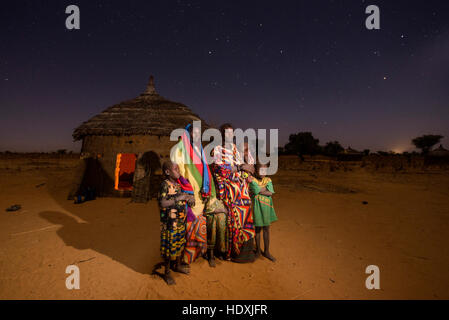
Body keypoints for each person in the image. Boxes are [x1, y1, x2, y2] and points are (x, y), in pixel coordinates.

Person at [171, 124, 226, 266]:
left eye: (198, 132)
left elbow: (206, 172)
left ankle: (210, 252)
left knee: (218, 217)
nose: (196, 135)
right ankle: (189, 255)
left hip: (204, 193)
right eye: (193, 132)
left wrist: (210, 193)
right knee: (194, 221)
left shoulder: (200, 150)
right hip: (190, 193)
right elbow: (179, 172)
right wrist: (187, 192)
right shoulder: (181, 149)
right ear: (188, 133)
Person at [212, 123, 256, 263]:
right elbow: (221, 170)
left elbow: (247, 167)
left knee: (247, 210)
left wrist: (245, 169)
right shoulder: (217, 150)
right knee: (235, 213)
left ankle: (245, 251)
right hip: (227, 188)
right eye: (227, 133)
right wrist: (240, 166)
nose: (230, 136)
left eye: (232, 133)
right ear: (222, 135)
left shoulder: (237, 150)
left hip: (241, 186)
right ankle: (233, 251)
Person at [157, 161, 194, 285]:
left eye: (178, 169)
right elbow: (162, 203)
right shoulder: (165, 185)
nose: (178, 171)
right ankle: (167, 272)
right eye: (175, 169)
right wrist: (179, 198)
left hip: (180, 222)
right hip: (170, 224)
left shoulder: (178, 185)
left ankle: (177, 265)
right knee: (169, 248)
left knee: (179, 244)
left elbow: (182, 200)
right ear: (167, 172)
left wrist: (189, 199)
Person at [248, 162, 278, 262]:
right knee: (257, 230)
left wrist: (259, 189)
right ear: (256, 170)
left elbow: (270, 193)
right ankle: (258, 251)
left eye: (265, 170)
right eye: (260, 170)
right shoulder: (252, 180)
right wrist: (263, 189)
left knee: (266, 229)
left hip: (266, 208)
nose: (263, 172)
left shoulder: (268, 179)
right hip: (257, 208)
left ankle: (267, 251)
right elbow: (256, 190)